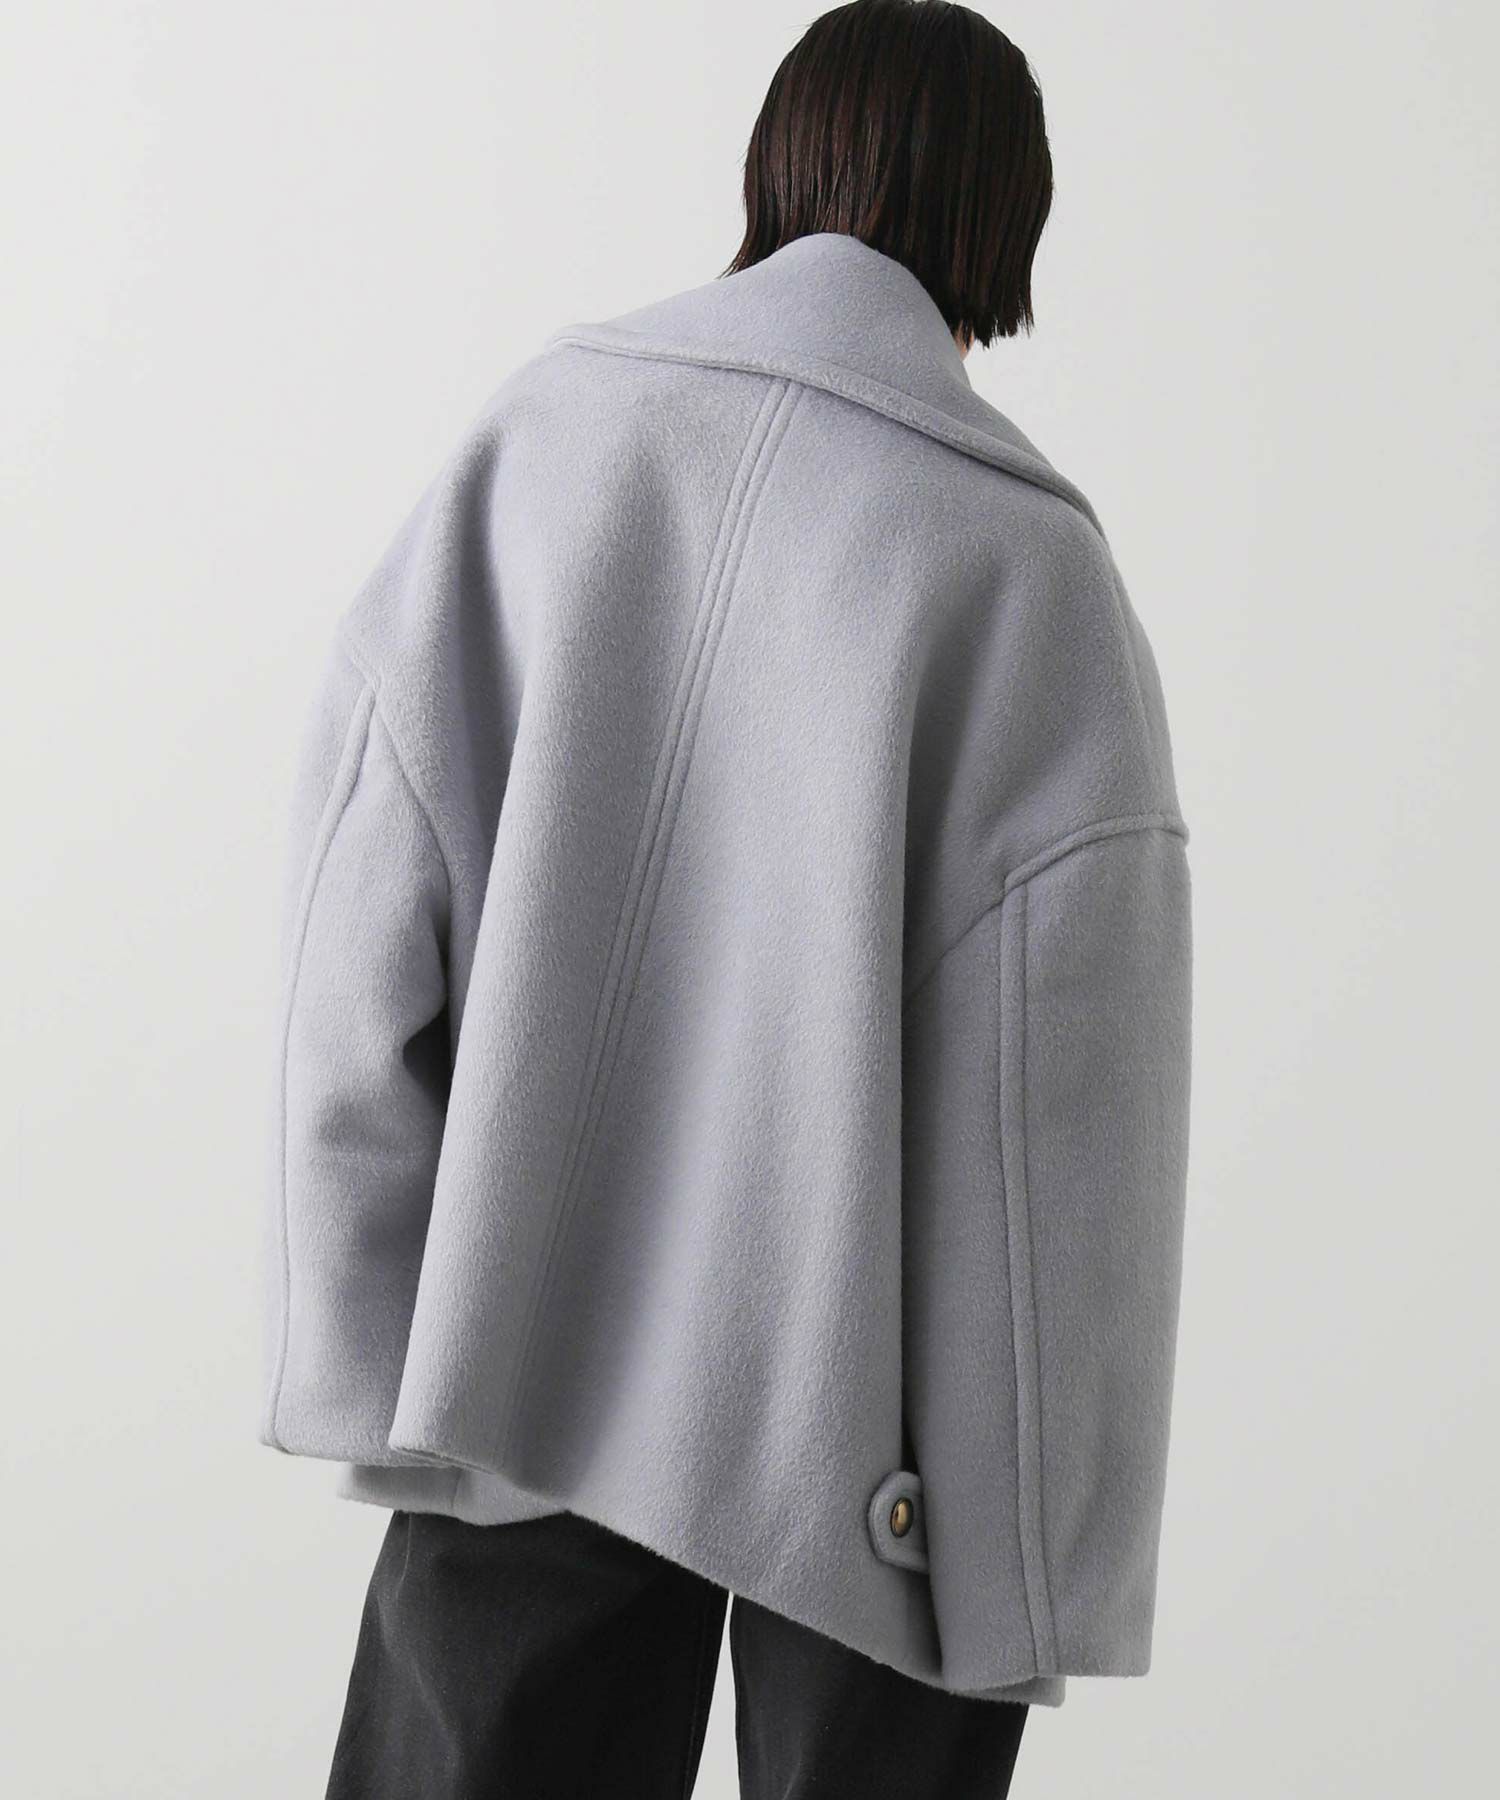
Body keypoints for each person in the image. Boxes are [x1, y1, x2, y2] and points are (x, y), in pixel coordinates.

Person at [259, 2, 1194, 1793]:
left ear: (777, 163)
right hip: (884, 1457)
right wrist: (1036, 1569)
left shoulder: (546, 439)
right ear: (1007, 224)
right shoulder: (1027, 566)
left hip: (521, 1370)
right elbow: (1071, 1120)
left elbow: (362, 916)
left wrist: (375, 1354)